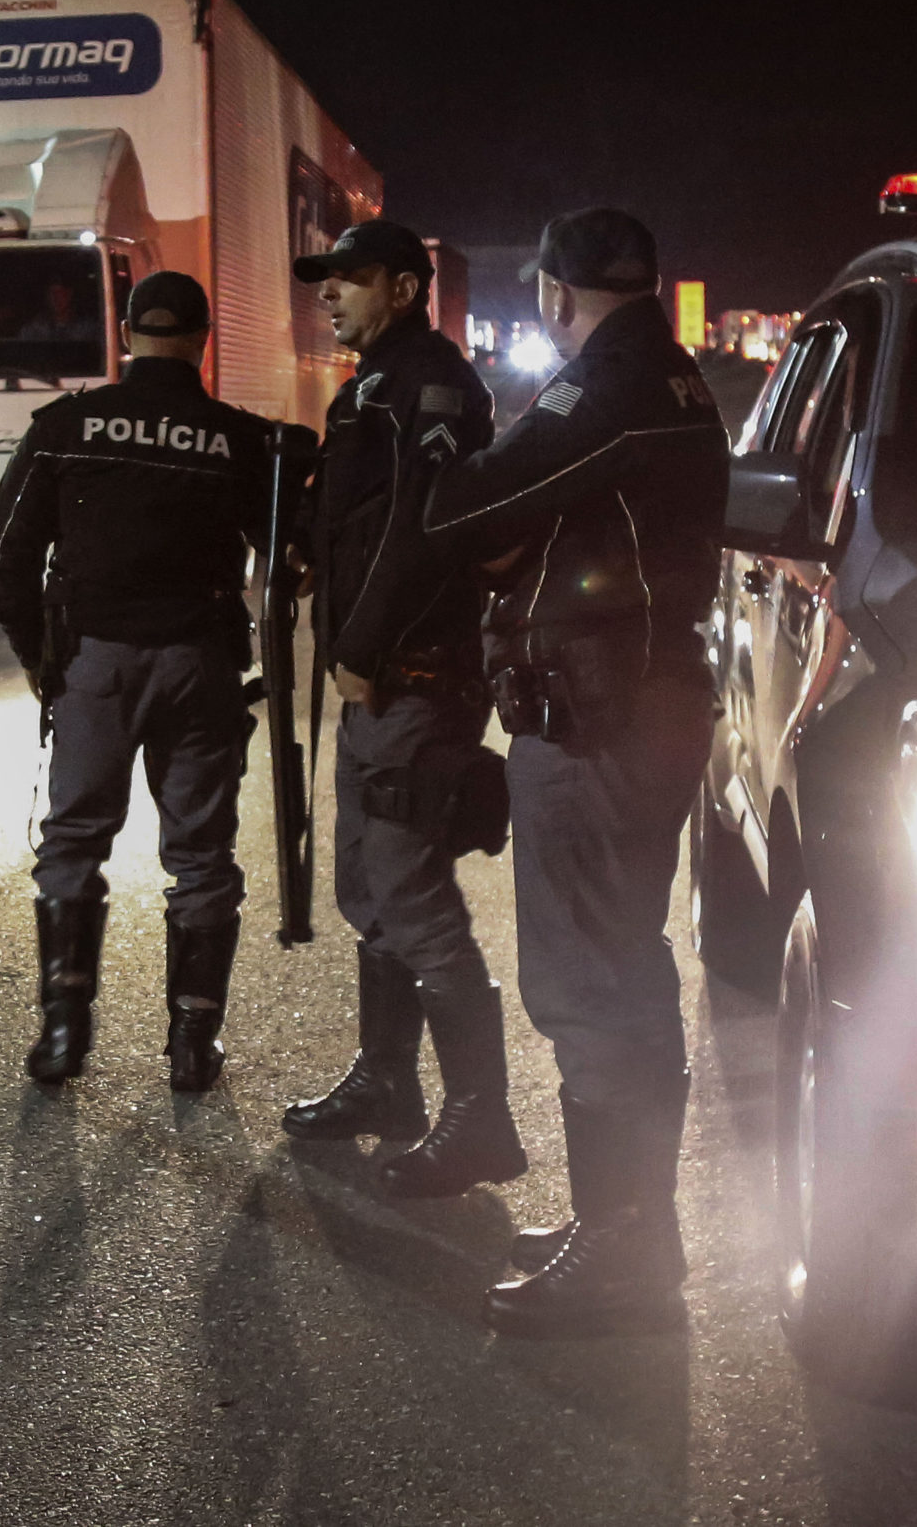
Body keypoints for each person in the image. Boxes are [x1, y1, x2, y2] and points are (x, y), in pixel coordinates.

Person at [421, 207, 731, 1337]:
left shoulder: (606, 387)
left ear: (555, 293)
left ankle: (622, 1248)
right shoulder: (677, 377)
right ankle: (632, 1224)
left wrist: (447, 463)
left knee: (589, 984)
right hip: (647, 701)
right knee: (628, 969)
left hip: (600, 718)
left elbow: (466, 507)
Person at [277, 220, 524, 1200]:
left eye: (351, 279)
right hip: (380, 680)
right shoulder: (372, 388)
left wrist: (363, 646)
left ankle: (481, 1120)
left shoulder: (429, 386)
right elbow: (359, 518)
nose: (330, 294)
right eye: (327, 280)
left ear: (406, 289)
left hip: (413, 678)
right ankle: (388, 1084)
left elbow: (422, 530)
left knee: (414, 902)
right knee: (370, 891)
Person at [0, 271, 277, 1092]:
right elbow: (287, 550)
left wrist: (39, 658)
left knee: (73, 843)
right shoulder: (237, 439)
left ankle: (63, 1033)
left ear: (126, 336)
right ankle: (192, 1043)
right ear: (203, 340)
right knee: (202, 856)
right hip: (199, 665)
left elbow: (9, 552)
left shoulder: (66, 427)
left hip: (97, 664)